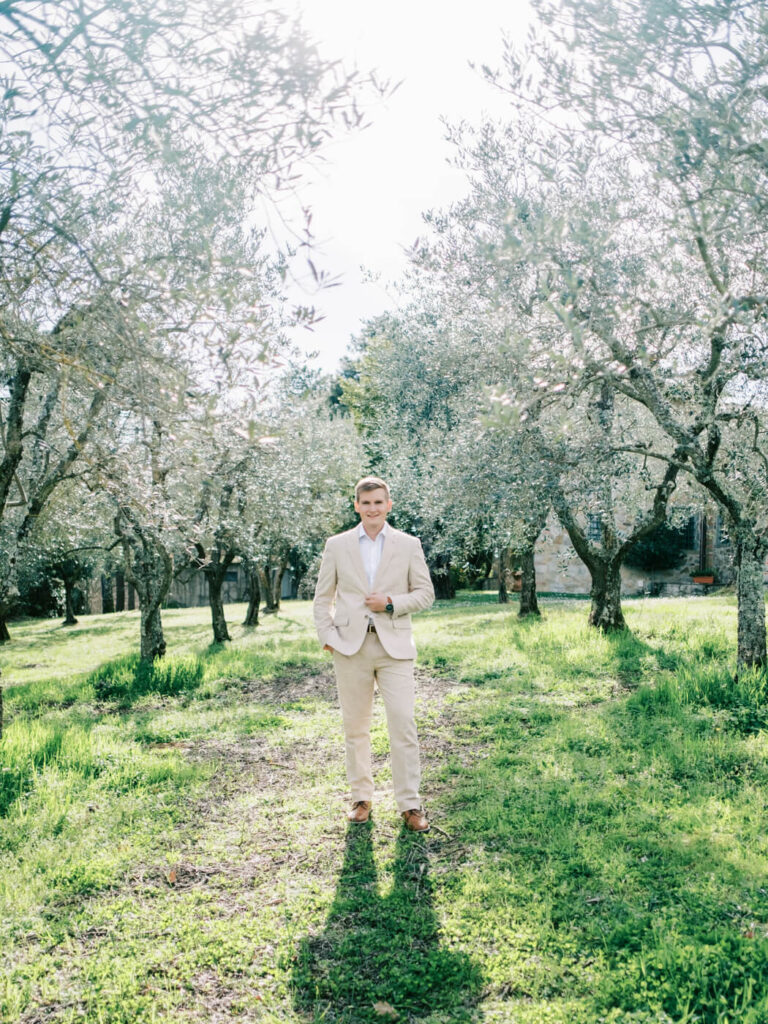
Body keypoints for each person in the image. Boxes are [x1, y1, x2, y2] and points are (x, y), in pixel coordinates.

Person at [313, 476, 435, 832]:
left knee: (403, 724)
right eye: (365, 503)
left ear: (389, 504)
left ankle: (410, 804)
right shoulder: (336, 545)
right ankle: (361, 798)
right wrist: (328, 636)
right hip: (350, 648)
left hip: (394, 647)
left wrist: (392, 603)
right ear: (356, 506)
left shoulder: (408, 545)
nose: (372, 509)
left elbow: (425, 594)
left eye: (378, 502)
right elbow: (323, 598)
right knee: (356, 727)